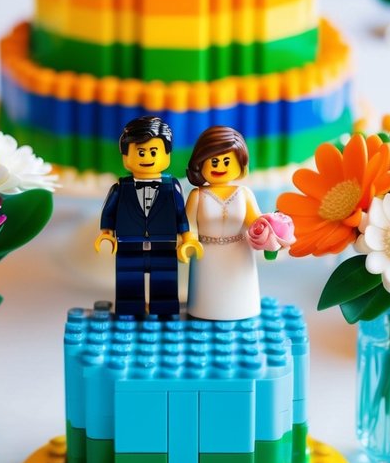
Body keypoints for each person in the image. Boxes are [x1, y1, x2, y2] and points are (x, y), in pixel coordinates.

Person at [94, 116, 202, 317]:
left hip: (164, 243)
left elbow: (181, 214)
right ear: (125, 157)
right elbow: (109, 212)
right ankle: (129, 309)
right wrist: (106, 233)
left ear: (167, 154)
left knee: (165, 279)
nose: (146, 157)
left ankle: (164, 311)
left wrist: (187, 238)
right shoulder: (120, 188)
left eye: (153, 151)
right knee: (128, 279)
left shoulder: (172, 187)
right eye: (140, 152)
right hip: (128, 243)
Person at [185, 125, 264, 321]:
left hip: (239, 253)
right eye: (213, 161)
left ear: (240, 162)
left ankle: (242, 309)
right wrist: (189, 240)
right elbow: (189, 224)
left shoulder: (244, 194)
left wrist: (273, 230)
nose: (219, 166)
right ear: (200, 163)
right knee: (207, 296)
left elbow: (256, 221)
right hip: (206, 254)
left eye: (226, 160)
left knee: (239, 292)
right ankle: (204, 310)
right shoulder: (197, 195)